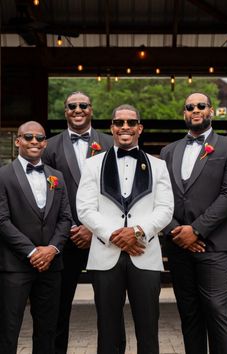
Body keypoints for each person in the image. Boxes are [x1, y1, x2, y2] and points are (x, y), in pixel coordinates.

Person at [76, 104, 174, 354]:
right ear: (112, 128)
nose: (125, 127)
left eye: (131, 123)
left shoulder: (158, 165)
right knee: (107, 329)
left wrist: (137, 232)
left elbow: (165, 209)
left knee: (148, 328)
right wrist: (114, 236)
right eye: (119, 123)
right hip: (105, 255)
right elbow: (85, 208)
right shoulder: (92, 165)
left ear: (139, 128)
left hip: (144, 254)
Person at [42, 91, 120, 354]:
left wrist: (93, 227)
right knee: (58, 309)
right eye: (72, 106)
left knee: (109, 309)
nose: (78, 109)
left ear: (91, 109)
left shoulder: (110, 144)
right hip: (66, 239)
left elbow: (118, 191)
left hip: (102, 238)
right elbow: (46, 195)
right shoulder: (49, 147)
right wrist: (71, 228)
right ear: (65, 111)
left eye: (83, 105)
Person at [160, 92, 227, 354]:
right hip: (179, 245)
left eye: (200, 106)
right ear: (184, 113)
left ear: (211, 111)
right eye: (189, 106)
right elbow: (161, 198)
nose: (195, 109)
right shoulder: (168, 151)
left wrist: (197, 230)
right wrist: (176, 231)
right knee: (189, 314)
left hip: (215, 247)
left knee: (217, 311)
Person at [0, 121, 72, 354]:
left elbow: (65, 218)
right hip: (15, 266)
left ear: (45, 143)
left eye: (39, 138)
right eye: (28, 137)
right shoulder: (3, 176)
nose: (34, 142)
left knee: (48, 330)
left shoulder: (57, 177)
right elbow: (2, 220)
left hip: (51, 266)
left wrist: (52, 249)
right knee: (8, 329)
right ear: (18, 140)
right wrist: (32, 252)